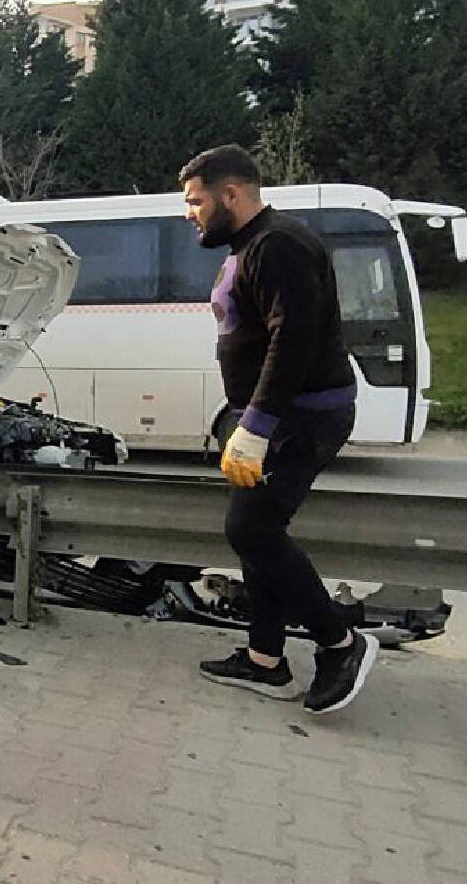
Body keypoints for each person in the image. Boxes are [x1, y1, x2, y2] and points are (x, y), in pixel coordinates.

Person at [181, 144, 378, 715]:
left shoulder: (279, 245)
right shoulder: (253, 245)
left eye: (196, 202)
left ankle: (339, 642)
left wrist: (258, 424)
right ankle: (265, 658)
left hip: (304, 416)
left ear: (231, 194)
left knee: (253, 531)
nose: (189, 213)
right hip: (272, 417)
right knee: (256, 532)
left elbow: (293, 340)